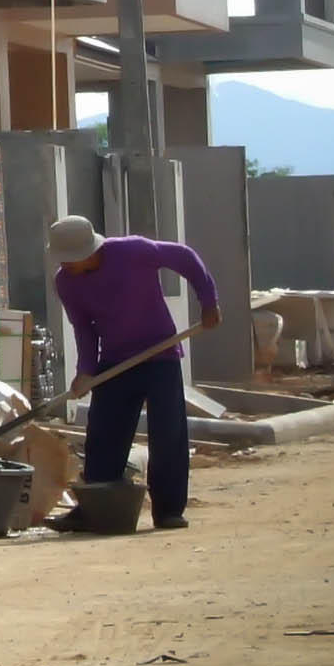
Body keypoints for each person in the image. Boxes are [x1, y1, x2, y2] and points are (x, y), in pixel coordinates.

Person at [47, 216, 219, 532]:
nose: (65, 265)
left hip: (160, 356)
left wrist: (208, 301)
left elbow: (185, 257)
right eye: (62, 260)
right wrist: (86, 371)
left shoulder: (133, 251)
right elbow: (84, 328)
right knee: (103, 433)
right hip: (114, 362)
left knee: (168, 434)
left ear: (89, 251)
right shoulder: (66, 283)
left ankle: (168, 510)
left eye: (71, 259)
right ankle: (94, 507)